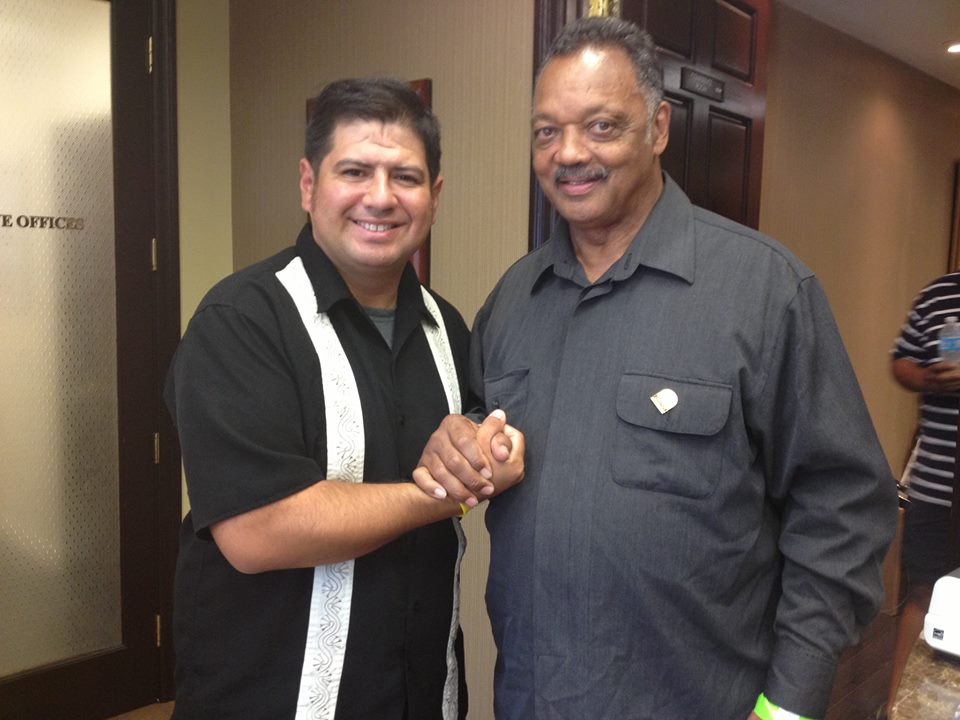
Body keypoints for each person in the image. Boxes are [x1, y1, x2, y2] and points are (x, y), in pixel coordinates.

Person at [415, 17, 897, 720]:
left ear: (660, 128)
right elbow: (466, 458)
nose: (568, 153)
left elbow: (844, 512)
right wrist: (450, 449)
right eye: (546, 132)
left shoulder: (763, 292)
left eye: (601, 127)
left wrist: (789, 705)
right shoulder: (513, 302)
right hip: (533, 700)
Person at [165, 77, 523, 720]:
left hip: (422, 692)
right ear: (309, 185)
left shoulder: (448, 327)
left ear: (434, 196)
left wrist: (486, 443)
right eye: (354, 171)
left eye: (405, 177)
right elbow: (257, 529)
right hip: (269, 698)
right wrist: (436, 496)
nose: (380, 198)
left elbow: (474, 433)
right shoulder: (242, 321)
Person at [882, 271, 960, 718]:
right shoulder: (938, 293)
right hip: (936, 478)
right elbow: (901, 360)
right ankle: (896, 709)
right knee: (923, 594)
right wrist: (930, 379)